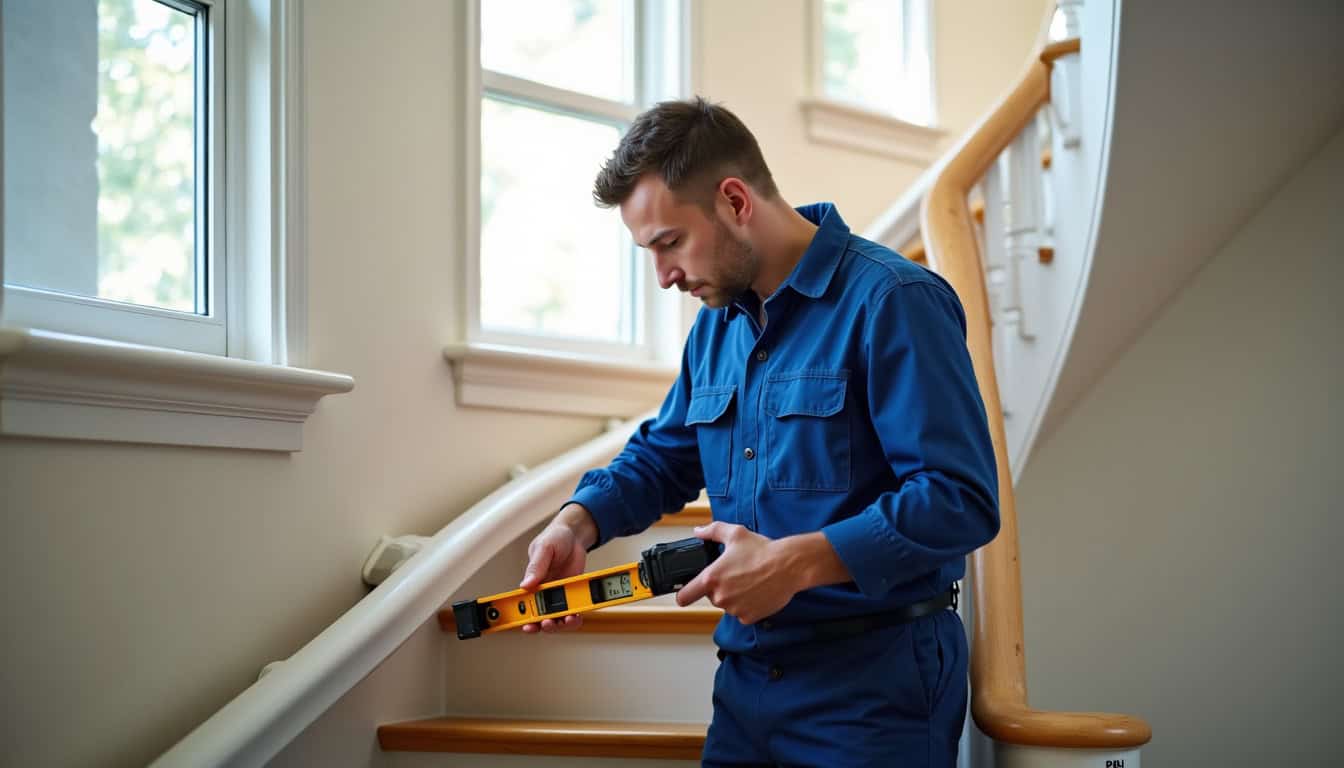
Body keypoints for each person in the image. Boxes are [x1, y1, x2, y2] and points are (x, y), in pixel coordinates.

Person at [517, 96, 1000, 767]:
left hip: (875, 691)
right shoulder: (716, 324)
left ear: (736, 201)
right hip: (745, 685)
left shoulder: (894, 301)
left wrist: (796, 562)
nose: (663, 278)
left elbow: (960, 499)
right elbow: (664, 455)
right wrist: (577, 522)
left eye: (670, 243)